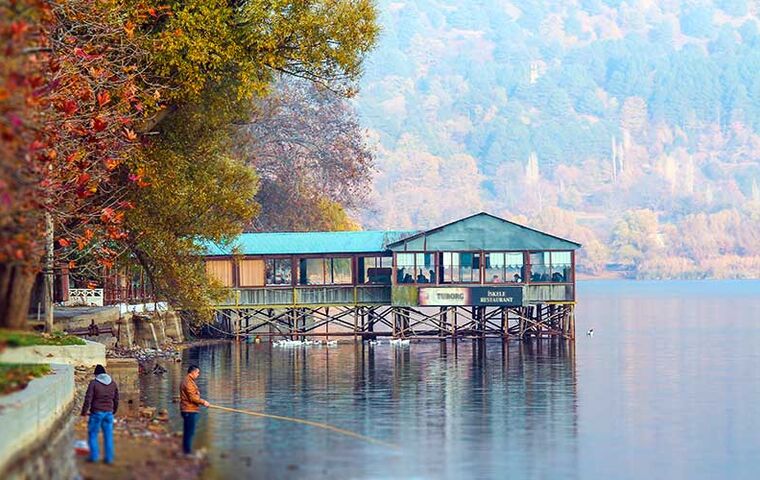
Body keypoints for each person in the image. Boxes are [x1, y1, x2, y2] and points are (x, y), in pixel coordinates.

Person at [81, 364, 119, 464]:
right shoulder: (113, 383)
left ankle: (94, 457)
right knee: (108, 436)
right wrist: (114, 410)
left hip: (96, 413)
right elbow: (116, 399)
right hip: (109, 413)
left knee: (93, 434)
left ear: (96, 374)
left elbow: (88, 398)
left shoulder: (93, 383)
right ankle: (109, 459)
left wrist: (84, 412)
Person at [180, 365, 210, 456]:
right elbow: (192, 397)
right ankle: (187, 453)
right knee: (189, 432)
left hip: (189, 409)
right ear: (192, 372)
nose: (198, 375)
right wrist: (203, 402)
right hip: (189, 410)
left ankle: (186, 451)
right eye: (197, 373)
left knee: (188, 431)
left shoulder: (188, 381)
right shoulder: (188, 382)